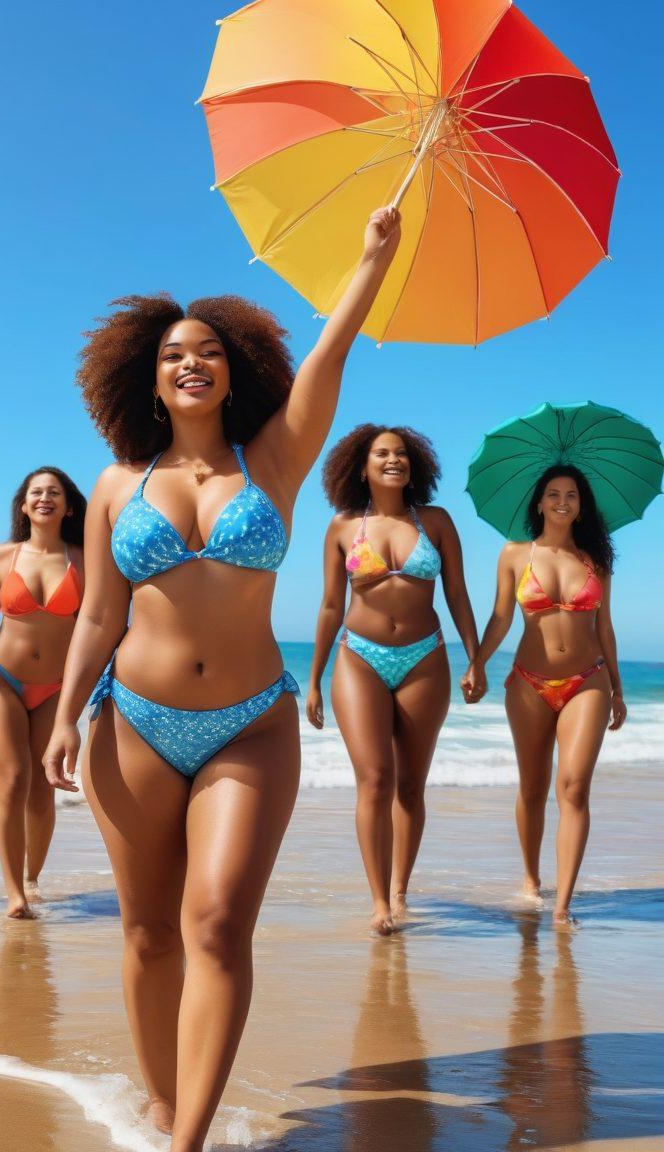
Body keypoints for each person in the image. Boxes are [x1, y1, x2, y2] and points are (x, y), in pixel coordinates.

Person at [42, 207, 401, 1151]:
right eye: (171, 355)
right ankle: (163, 1106)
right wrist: (67, 716)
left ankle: (189, 1139)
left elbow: (329, 356)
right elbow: (97, 616)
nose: (190, 362)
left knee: (216, 923)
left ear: (235, 367)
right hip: (134, 722)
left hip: (250, 723)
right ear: (147, 379)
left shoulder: (274, 460)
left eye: (207, 351)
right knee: (149, 934)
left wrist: (368, 262)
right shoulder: (117, 483)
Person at [307, 425, 482, 934]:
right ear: (360, 467)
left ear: (415, 465)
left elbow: (457, 595)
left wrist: (474, 658)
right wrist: (314, 679)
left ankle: (402, 889)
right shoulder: (342, 527)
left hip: (425, 658)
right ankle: (379, 901)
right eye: (381, 454)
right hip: (358, 657)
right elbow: (329, 605)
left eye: (401, 454)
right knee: (375, 778)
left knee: (410, 784)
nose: (393, 460)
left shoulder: (436, 522)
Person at [467, 465, 626, 925]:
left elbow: (605, 627)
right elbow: (500, 617)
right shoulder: (515, 554)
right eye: (553, 494)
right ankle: (532, 879)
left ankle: (562, 906)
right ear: (538, 503)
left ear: (581, 506)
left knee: (574, 787)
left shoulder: (596, 560)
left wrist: (617, 687)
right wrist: (476, 661)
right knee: (533, 788)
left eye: (571, 495)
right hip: (529, 682)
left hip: (587, 680)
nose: (562, 501)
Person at [0, 467, 85, 918]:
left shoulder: (84, 560)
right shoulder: (1, 557)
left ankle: (32, 880)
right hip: (0, 679)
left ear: (69, 506)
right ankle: (14, 893)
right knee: (13, 779)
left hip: (55, 688)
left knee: (42, 790)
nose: (44, 498)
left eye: (54, 492)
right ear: (24, 505)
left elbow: (100, 629)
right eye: (36, 492)